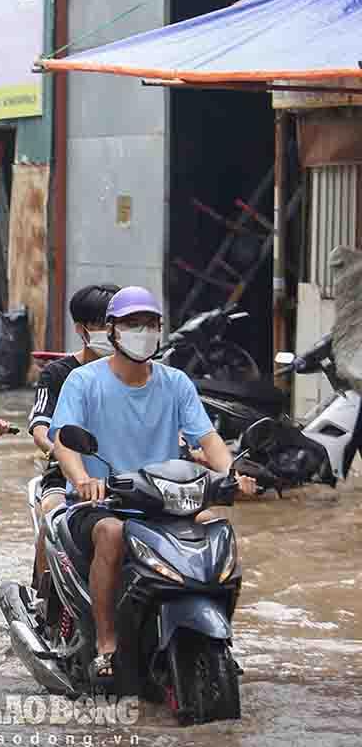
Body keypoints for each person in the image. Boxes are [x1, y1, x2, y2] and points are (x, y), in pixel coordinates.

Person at [49, 286, 257, 683]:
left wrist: (229, 476)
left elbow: (207, 439)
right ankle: (107, 644)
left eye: (150, 324)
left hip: (165, 500)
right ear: (112, 331)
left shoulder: (176, 382)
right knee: (112, 533)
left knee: (216, 526)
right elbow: (64, 441)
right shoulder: (83, 381)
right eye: (132, 324)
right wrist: (84, 480)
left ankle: (217, 639)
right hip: (102, 503)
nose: (142, 331)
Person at [27, 283, 120, 591]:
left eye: (113, 324)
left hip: (126, 475)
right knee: (52, 516)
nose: (109, 333)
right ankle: (44, 594)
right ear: (81, 330)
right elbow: (41, 427)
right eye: (100, 325)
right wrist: (65, 454)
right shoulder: (58, 373)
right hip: (67, 477)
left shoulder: (139, 373)